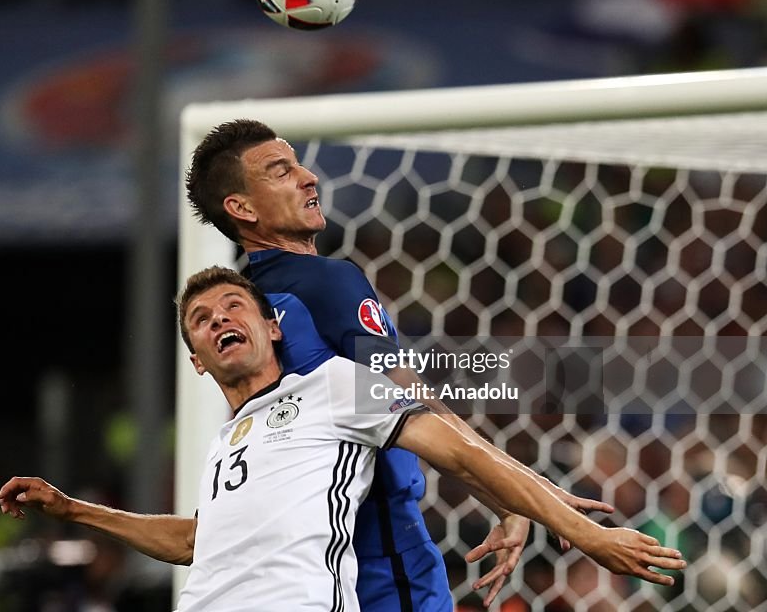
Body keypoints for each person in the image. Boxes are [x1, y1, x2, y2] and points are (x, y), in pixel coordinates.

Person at [0, 267, 686, 612]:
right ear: (197, 360)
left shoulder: (335, 385)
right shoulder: (223, 440)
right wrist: (75, 510)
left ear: (272, 328)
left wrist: (580, 530)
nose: (218, 319)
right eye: (201, 320)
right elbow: (196, 542)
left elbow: (461, 450)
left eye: (234, 305)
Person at [183, 119, 611, 609]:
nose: (309, 178)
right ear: (241, 208)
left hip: (303, 558)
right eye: (281, 172)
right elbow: (415, 406)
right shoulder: (325, 283)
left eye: (299, 164)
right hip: (383, 549)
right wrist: (519, 494)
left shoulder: (242, 309)